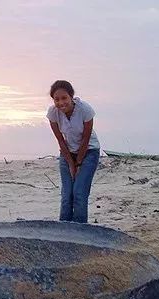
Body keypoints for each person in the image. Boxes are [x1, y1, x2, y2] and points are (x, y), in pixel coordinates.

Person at [46, 80, 101, 223]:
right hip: (67, 153)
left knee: (79, 193)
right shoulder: (53, 113)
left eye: (64, 98)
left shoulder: (85, 110)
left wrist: (78, 164)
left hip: (89, 151)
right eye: (56, 99)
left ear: (71, 96)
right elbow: (60, 140)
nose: (60, 102)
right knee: (67, 195)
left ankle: (80, 231)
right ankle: (64, 230)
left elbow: (86, 138)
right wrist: (71, 163)